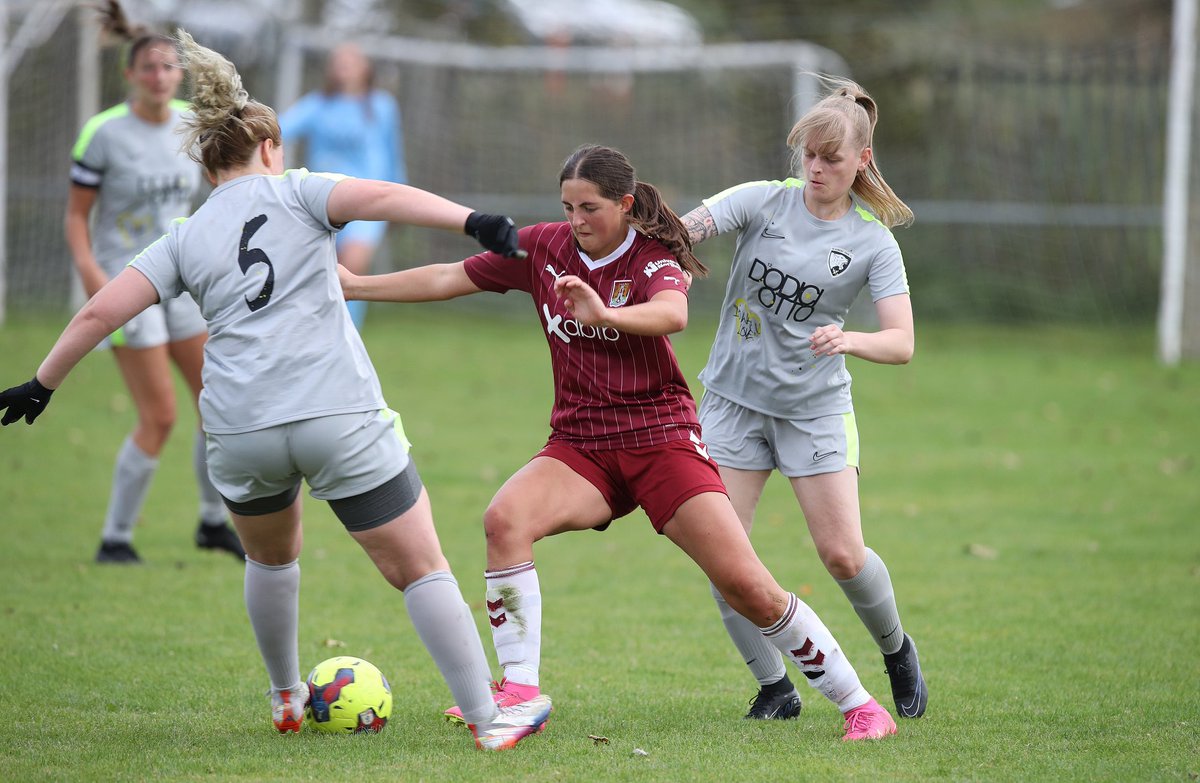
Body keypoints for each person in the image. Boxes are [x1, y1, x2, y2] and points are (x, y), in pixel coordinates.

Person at [1, 30, 550, 751]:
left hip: (239, 426)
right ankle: (487, 718)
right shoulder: (299, 191)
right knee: (420, 566)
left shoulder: (185, 235)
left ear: (206, 167)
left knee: (270, 557)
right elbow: (382, 194)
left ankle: (287, 697)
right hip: (333, 410)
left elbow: (104, 309)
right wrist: (472, 220)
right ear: (268, 148)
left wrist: (43, 381)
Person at [338, 143, 898, 742]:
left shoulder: (651, 254)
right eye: (568, 206)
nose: (577, 220)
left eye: (591, 207)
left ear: (626, 205)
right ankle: (519, 691)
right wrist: (357, 286)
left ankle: (861, 706)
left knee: (748, 587)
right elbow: (452, 276)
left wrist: (605, 314)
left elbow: (671, 313)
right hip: (581, 444)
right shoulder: (546, 248)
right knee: (504, 519)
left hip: (661, 439)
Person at [678, 77, 929, 721]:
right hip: (732, 403)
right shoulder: (762, 202)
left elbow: (901, 344)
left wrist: (849, 339)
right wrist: (663, 250)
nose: (816, 169)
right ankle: (774, 686)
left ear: (861, 162)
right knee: (724, 558)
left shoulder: (874, 242)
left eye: (832, 159)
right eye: (808, 156)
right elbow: (688, 230)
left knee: (842, 555)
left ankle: (897, 649)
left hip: (814, 412)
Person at [65, 0, 244, 564]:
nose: (161, 76)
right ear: (130, 75)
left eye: (170, 67)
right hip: (129, 283)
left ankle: (212, 523)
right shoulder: (103, 133)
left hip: (184, 281)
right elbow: (75, 218)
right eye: (149, 68)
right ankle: (114, 538)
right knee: (160, 416)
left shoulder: (190, 123)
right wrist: (94, 276)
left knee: (216, 402)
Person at [279, 42, 405, 331]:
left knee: (353, 267)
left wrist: (399, 197)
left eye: (349, 61)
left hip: (368, 202)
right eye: (337, 62)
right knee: (324, 272)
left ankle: (347, 332)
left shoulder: (381, 106)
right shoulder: (318, 105)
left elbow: (392, 152)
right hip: (324, 201)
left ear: (365, 68)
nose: (342, 67)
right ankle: (318, 331)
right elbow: (280, 129)